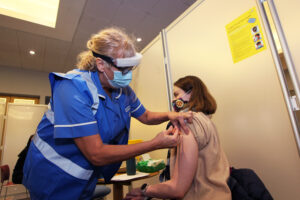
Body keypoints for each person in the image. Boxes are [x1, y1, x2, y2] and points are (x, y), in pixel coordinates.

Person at [22, 27, 192, 200]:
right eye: (123, 69)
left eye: (130, 69)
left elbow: (146, 116)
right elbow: (96, 153)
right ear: (101, 64)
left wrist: (170, 115)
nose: (128, 75)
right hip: (52, 177)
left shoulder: (122, 90)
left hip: (86, 177)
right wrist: (155, 143)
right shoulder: (72, 88)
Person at [125, 75, 231, 200]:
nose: (173, 100)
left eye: (176, 95)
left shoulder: (188, 124)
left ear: (191, 93)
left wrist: (145, 190)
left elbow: (177, 189)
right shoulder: (206, 121)